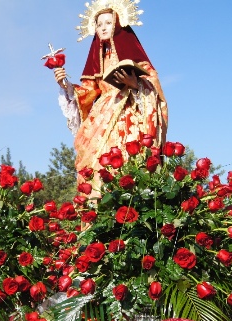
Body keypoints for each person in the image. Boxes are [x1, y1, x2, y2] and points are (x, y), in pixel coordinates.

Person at [54, 1, 167, 191]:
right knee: (94, 164)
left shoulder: (133, 55)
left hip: (130, 112)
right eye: (99, 24)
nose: (103, 27)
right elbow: (88, 92)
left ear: (118, 24)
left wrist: (135, 84)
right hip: (101, 116)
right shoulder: (98, 58)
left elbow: (154, 88)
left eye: (107, 22)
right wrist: (65, 85)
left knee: (128, 160)